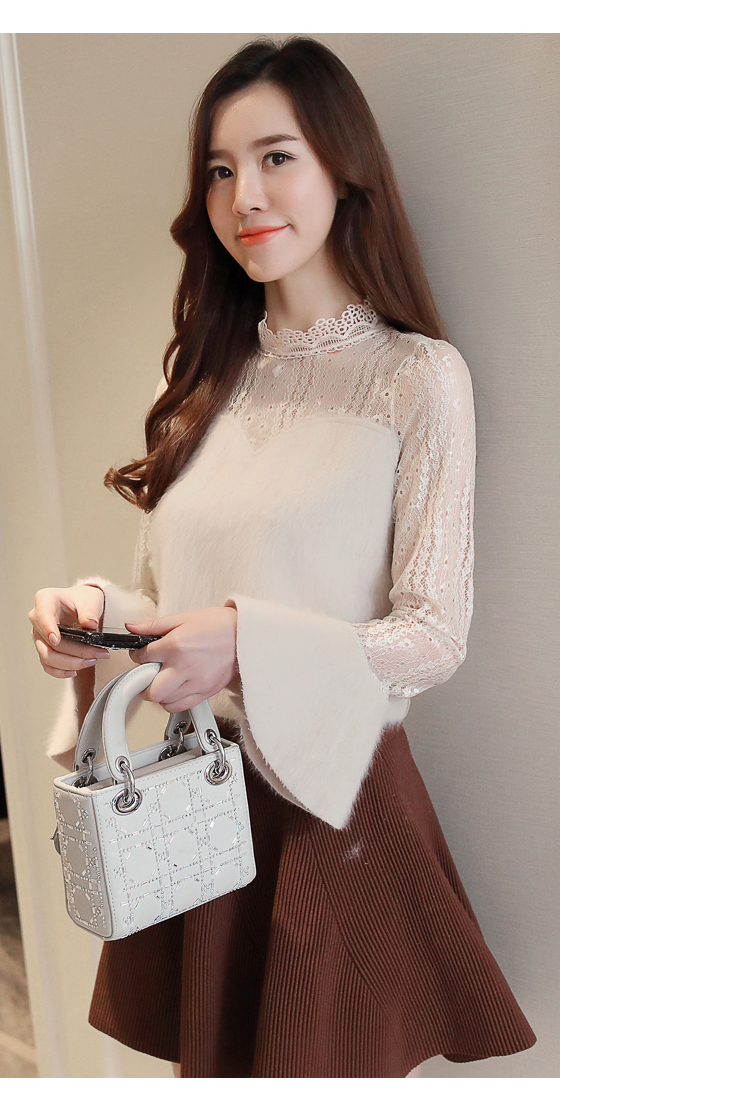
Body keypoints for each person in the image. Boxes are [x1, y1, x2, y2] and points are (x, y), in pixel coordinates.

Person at [29, 37, 536, 1079]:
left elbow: (432, 635)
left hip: (335, 807)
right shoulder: (202, 378)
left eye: (275, 158)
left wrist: (247, 641)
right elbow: (171, 603)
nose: (244, 196)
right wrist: (96, 615)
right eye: (220, 170)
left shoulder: (416, 377)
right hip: (197, 795)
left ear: (343, 168)